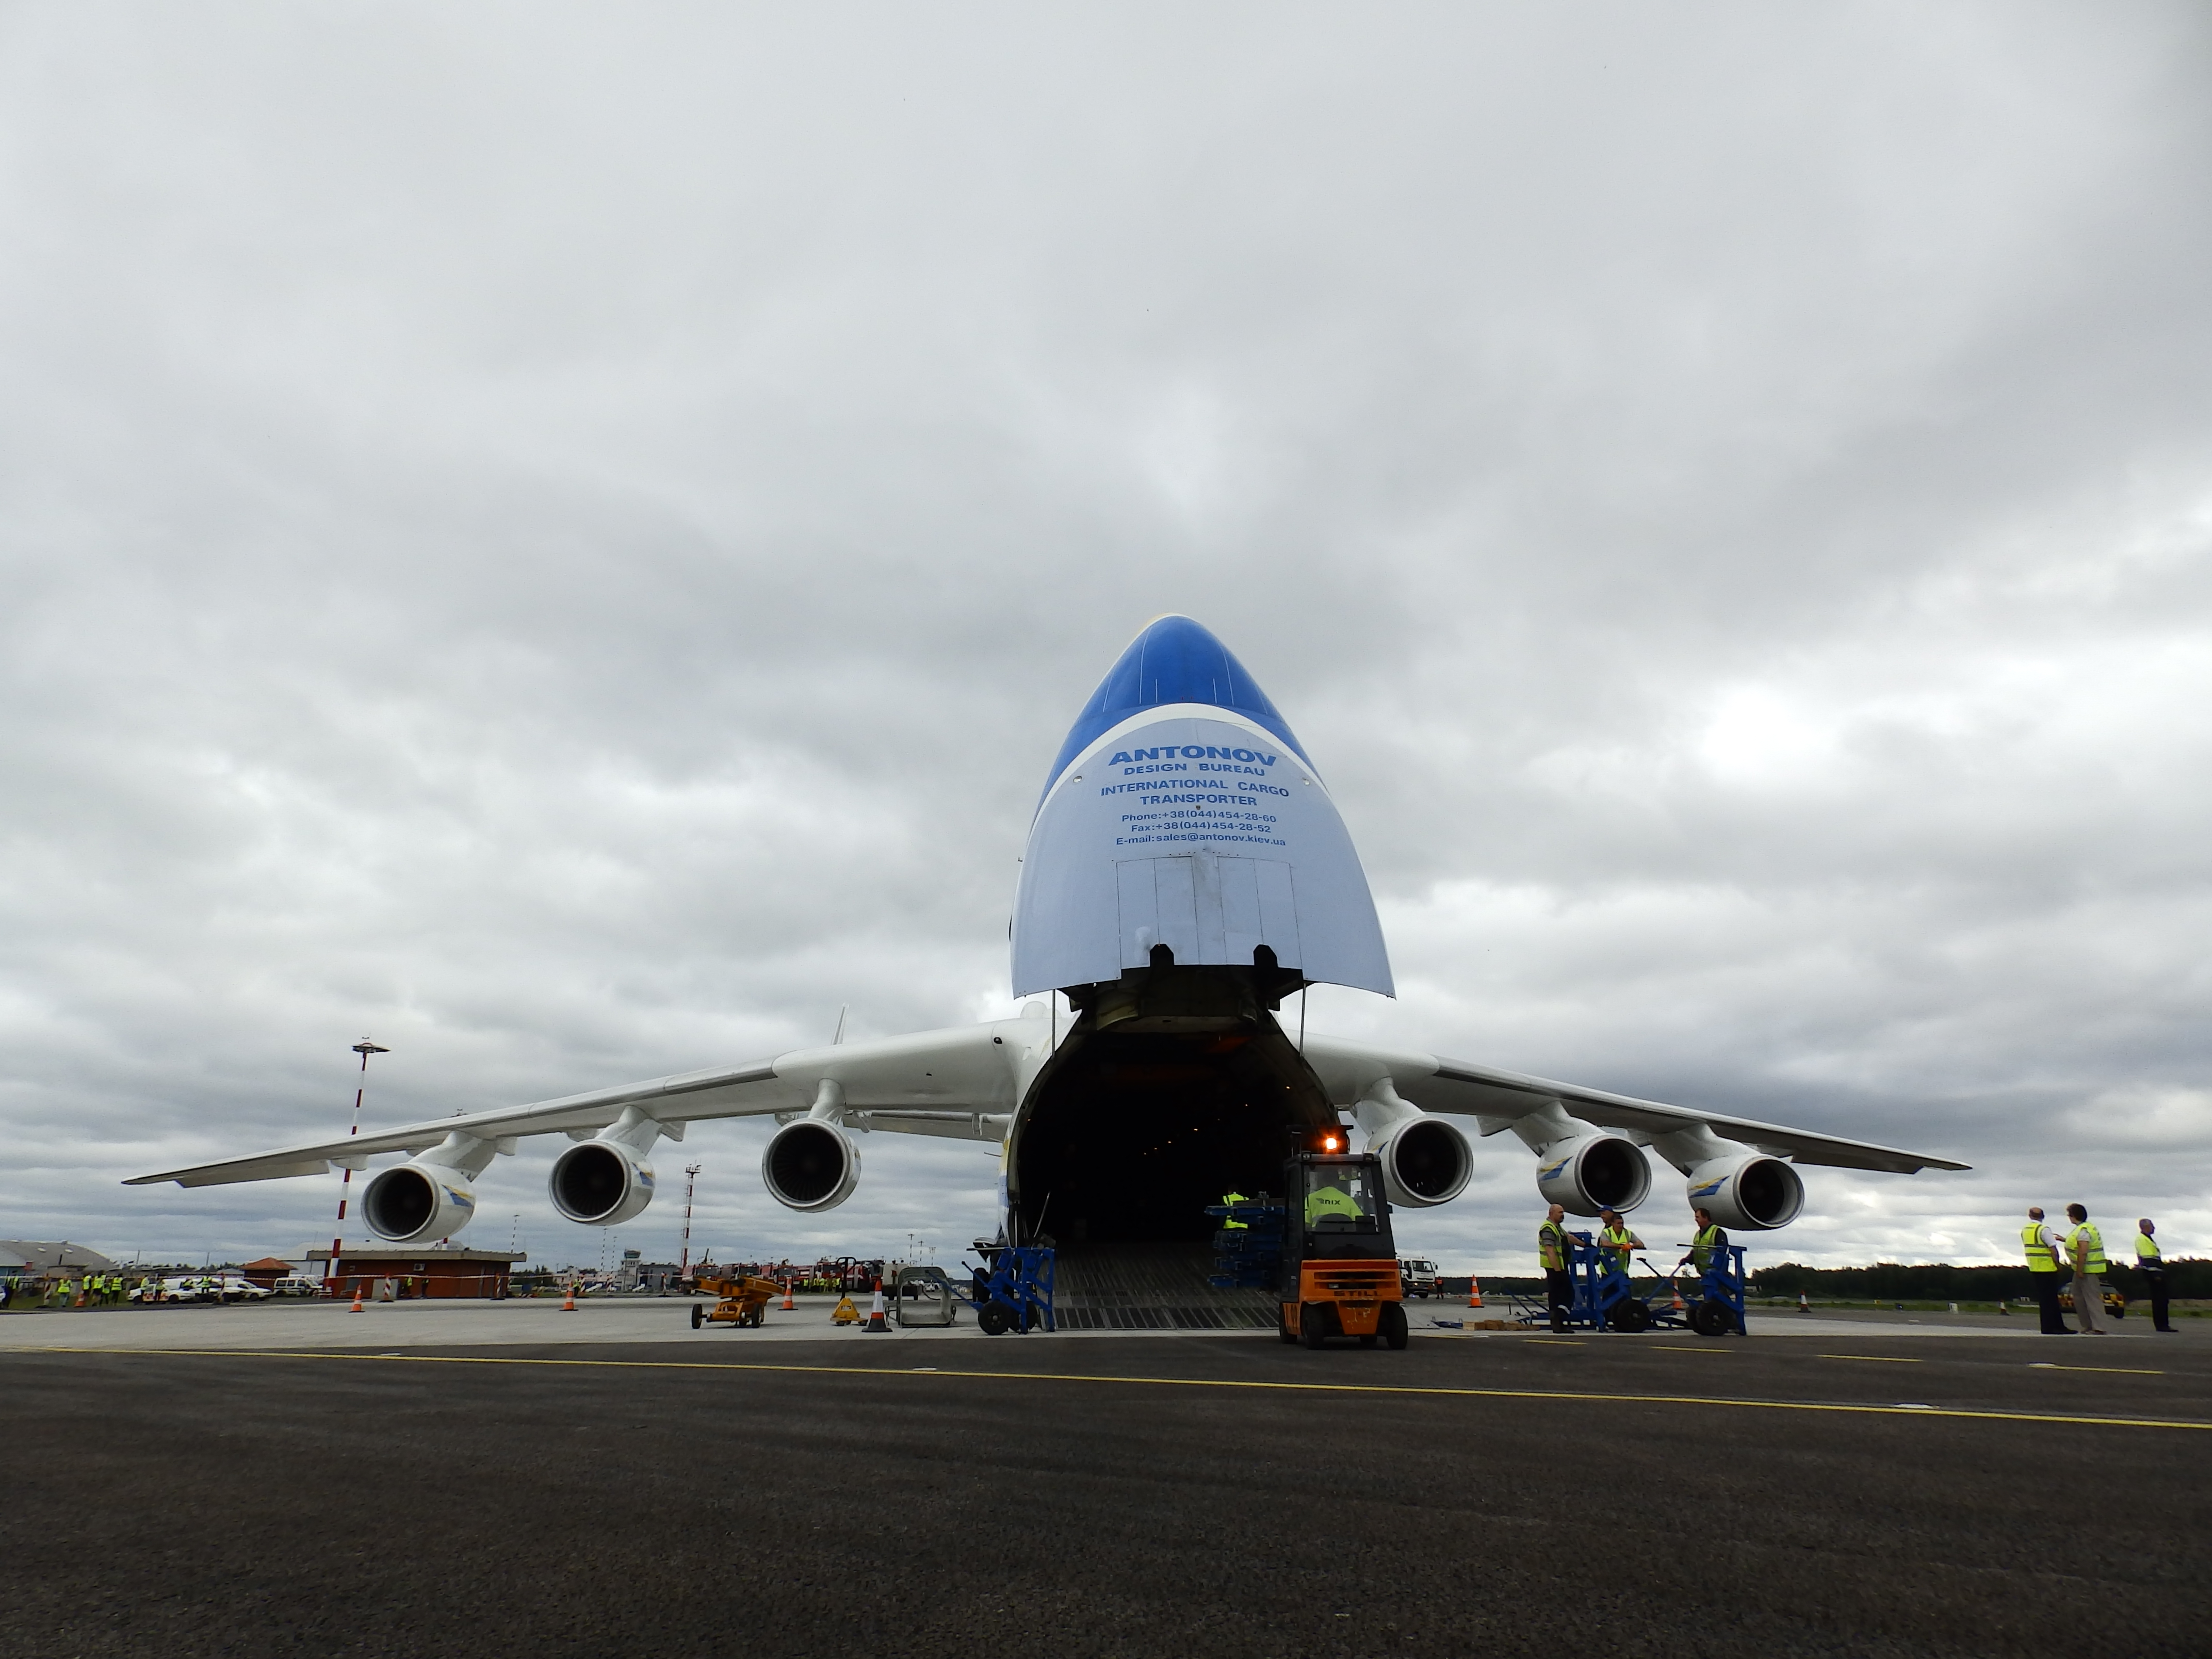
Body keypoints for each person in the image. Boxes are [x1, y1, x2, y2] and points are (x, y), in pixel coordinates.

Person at [2022, 1207, 2071, 1335]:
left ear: (2030, 1216)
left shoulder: (2025, 1230)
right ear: (2043, 1216)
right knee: (2051, 1299)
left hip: (2034, 1267)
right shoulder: (2044, 1230)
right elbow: (2053, 1250)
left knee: (2044, 1299)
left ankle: (2048, 1326)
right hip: (2047, 1268)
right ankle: (2055, 1327)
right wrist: (2058, 1265)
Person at [2064, 1203, 2107, 1334]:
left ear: (2073, 1216)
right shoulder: (2082, 1229)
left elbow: (2083, 1250)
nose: (2068, 1217)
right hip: (2082, 1269)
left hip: (2088, 1269)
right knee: (2079, 1297)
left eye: (2069, 1214)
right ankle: (2088, 1325)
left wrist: (2080, 1270)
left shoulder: (2084, 1230)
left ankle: (2099, 1327)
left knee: (2092, 1298)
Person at [1538, 1203, 1577, 1332]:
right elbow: (1550, 1251)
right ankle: (1558, 1320)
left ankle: (1559, 1320)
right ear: (1551, 1213)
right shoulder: (1548, 1229)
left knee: (1562, 1294)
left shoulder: (1558, 1228)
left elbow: (1569, 1238)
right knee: (1564, 1294)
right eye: (1560, 1212)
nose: (1563, 1215)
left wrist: (1586, 1244)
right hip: (1555, 1268)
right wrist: (1557, 1270)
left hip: (1561, 1266)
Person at [2136, 1218, 2176, 1333]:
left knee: (2162, 1299)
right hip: (2154, 1273)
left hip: (2155, 1272)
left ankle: (2163, 1324)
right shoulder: (2142, 1240)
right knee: (2160, 1299)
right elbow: (2148, 1258)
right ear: (2145, 1227)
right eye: (2152, 1226)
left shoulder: (2147, 1239)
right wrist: (2156, 1274)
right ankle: (2162, 1325)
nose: (2154, 1228)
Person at [1596, 1209, 1642, 1279]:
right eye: (1618, 1223)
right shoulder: (1607, 1232)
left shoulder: (1628, 1233)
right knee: (1609, 1289)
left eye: (1622, 1223)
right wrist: (1622, 1247)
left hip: (1623, 1269)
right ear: (1613, 1224)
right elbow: (1604, 1243)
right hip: (1607, 1269)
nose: (1621, 1226)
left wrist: (1632, 1246)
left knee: (1625, 1289)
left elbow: (1641, 1244)